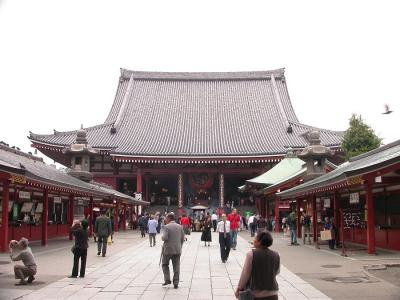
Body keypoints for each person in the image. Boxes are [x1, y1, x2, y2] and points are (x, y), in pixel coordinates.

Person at [235, 231, 280, 300]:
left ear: (259, 242)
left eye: (255, 238)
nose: (253, 240)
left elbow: (245, 274)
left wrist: (239, 288)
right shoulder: (276, 254)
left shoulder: (251, 254)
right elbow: (277, 272)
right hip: (273, 293)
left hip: (256, 294)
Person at [161, 213, 185, 289]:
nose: (165, 219)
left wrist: (162, 237)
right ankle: (176, 282)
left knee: (165, 264)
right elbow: (182, 238)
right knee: (176, 266)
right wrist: (180, 247)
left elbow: (165, 238)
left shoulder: (166, 227)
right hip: (177, 249)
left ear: (169, 218)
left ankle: (167, 279)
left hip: (168, 250)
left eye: (166, 218)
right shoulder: (180, 227)